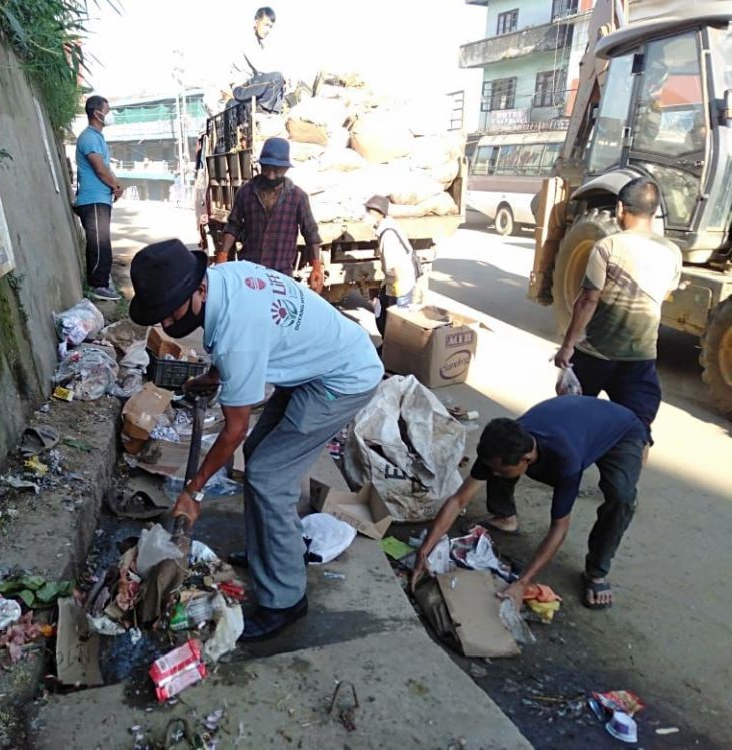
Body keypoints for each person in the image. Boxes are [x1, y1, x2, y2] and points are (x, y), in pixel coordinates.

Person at [128, 240, 383, 640]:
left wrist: (192, 492)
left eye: (173, 308)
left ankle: (285, 600)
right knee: (262, 458)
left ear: (198, 289)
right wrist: (214, 378)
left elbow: (233, 429)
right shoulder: (223, 281)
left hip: (343, 380)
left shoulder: (236, 332)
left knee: (267, 476)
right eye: (161, 313)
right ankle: (275, 549)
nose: (167, 322)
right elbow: (242, 355)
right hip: (316, 363)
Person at [411, 396, 648, 610]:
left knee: (621, 497)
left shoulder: (566, 461)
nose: (493, 473)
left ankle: (597, 571)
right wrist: (425, 549)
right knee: (497, 472)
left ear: (526, 460)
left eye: (501, 469)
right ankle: (505, 517)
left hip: (622, 430)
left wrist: (522, 583)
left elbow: (559, 527)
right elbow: (458, 499)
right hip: (576, 416)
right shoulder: (505, 443)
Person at [553, 177, 682, 437]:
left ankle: (568, 472)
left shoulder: (608, 245)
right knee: (637, 433)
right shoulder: (672, 251)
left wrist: (567, 346)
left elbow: (588, 299)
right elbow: (664, 293)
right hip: (641, 359)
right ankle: (625, 476)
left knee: (569, 421)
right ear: (654, 212)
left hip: (595, 355)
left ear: (621, 208)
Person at [215, 138, 324, 292]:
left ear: (286, 169)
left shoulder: (298, 197)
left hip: (282, 276)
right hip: (250, 274)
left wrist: (316, 266)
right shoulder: (246, 193)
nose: (271, 176)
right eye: (266, 169)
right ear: (260, 166)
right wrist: (223, 255)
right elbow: (233, 226)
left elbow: (310, 232)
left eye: (277, 170)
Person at [75, 95, 123, 301]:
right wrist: (113, 185)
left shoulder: (98, 137)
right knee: (98, 241)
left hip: (100, 199)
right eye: (108, 109)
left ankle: (103, 280)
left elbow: (107, 169)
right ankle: (97, 284)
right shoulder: (88, 137)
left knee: (103, 241)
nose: (109, 114)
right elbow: (99, 169)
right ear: (97, 113)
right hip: (92, 199)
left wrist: (117, 185)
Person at [364, 195, 421, 333]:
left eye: (369, 213)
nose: (366, 217)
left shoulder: (387, 235)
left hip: (400, 283)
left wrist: (394, 294)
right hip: (400, 280)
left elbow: (394, 268)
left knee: (394, 322)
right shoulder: (388, 225)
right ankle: (388, 346)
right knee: (387, 318)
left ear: (377, 214)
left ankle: (392, 349)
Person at [226, 6, 286, 113]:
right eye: (266, 25)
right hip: (242, 88)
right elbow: (261, 67)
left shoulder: (258, 44)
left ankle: (274, 114)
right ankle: (262, 112)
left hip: (251, 85)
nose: (268, 30)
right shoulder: (247, 38)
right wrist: (283, 77)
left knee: (281, 86)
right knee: (277, 77)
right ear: (256, 22)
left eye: (270, 27)